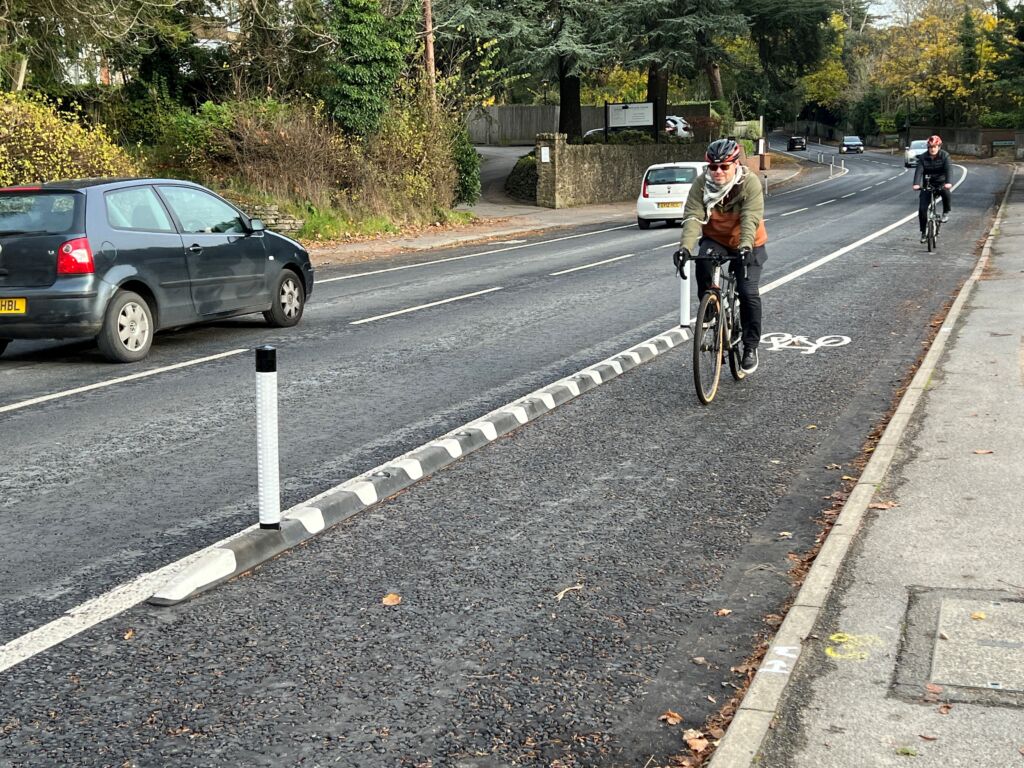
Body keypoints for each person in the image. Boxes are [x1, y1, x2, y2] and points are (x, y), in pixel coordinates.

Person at [672, 138, 767, 374]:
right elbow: (693, 216)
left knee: (748, 292)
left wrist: (745, 246)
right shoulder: (701, 185)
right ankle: (712, 308)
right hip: (716, 239)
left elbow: (750, 219)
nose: (718, 172)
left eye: (724, 166)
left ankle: (750, 347)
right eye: (712, 166)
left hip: (749, 242)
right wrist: (685, 247)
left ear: (735, 164)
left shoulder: (749, 183)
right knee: (703, 261)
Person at [912, 135, 952, 242]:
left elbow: (949, 170)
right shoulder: (923, 157)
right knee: (922, 209)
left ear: (939, 146)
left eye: (935, 146)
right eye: (930, 147)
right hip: (928, 184)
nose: (932, 149)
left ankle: (946, 212)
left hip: (941, 183)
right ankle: (924, 233)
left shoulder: (945, 156)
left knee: (946, 192)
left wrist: (948, 182)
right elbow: (919, 171)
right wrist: (916, 184)